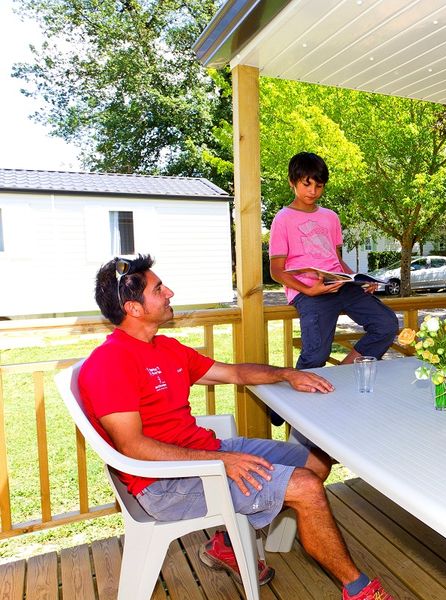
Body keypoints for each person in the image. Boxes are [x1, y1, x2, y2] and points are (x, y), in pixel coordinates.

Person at [79, 254, 394, 600]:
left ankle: (228, 544)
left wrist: (287, 374)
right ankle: (361, 590)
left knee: (316, 462)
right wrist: (222, 462)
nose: (169, 292)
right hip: (164, 484)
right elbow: (133, 446)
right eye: (158, 289)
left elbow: (234, 373)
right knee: (305, 487)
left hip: (207, 453)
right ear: (133, 308)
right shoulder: (110, 363)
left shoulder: (165, 348)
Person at [269, 151, 397, 372]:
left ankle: (343, 373)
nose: (313, 191)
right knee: (316, 354)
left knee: (386, 324)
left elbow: (336, 259)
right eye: (307, 184)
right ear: (292, 182)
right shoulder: (282, 219)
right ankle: (296, 392)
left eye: (319, 186)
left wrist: (359, 280)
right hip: (309, 291)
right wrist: (309, 291)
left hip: (341, 284)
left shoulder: (331, 217)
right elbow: (276, 271)